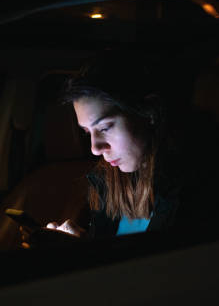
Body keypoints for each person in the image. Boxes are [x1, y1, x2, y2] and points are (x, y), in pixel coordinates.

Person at [24, 52, 189, 246]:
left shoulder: (193, 185)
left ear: (149, 113)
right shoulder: (109, 184)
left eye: (104, 128)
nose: (95, 148)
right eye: (87, 132)